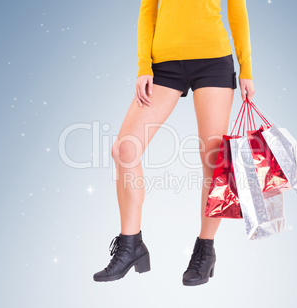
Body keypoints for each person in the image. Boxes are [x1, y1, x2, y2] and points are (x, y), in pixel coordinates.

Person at [93, 0, 255, 286]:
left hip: (213, 61)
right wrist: (144, 65)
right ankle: (131, 246)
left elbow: (237, 10)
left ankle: (205, 249)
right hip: (164, 64)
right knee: (125, 149)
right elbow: (148, 10)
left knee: (213, 159)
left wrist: (246, 68)